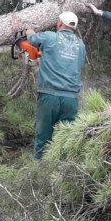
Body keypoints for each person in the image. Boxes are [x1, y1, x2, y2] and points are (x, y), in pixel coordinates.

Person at [26, 12, 86, 160]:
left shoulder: (50, 36)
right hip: (71, 99)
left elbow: (32, 39)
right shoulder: (81, 45)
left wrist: (28, 29)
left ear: (59, 23)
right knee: (66, 139)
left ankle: (39, 173)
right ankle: (62, 172)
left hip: (49, 96)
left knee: (43, 138)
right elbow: (71, 64)